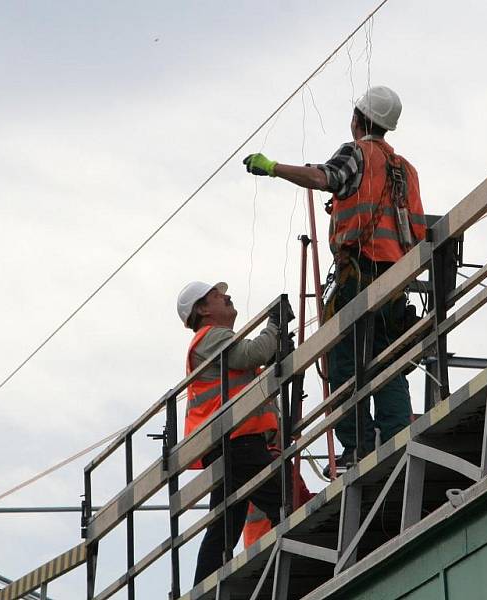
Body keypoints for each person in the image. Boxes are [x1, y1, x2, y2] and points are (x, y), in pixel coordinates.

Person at [242, 85, 426, 473]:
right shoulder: (406, 170)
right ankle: (395, 436)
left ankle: (356, 448)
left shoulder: (357, 153)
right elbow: (420, 230)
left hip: (357, 274)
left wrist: (274, 168)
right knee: (386, 359)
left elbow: (322, 177)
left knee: (344, 364)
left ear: (358, 118)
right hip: (396, 279)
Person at [177, 280, 293, 585]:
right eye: (218, 296)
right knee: (283, 498)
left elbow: (251, 361)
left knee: (225, 523)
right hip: (237, 440)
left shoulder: (216, 341)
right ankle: (311, 546)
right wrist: (275, 324)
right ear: (202, 309)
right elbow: (253, 353)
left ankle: (202, 586)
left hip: (233, 440)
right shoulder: (211, 337)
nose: (227, 297)